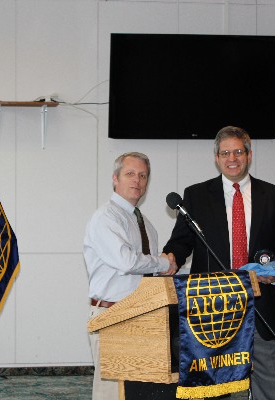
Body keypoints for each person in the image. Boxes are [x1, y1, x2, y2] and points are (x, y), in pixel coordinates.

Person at [163, 126, 275, 400]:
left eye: (238, 151)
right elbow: (181, 242)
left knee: (271, 386)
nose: (232, 158)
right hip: (214, 309)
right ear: (216, 158)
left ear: (249, 155)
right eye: (225, 153)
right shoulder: (196, 196)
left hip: (260, 306)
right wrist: (171, 259)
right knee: (217, 389)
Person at [84, 152, 178, 400]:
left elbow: (149, 273)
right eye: (130, 174)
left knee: (141, 392)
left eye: (143, 175)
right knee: (112, 395)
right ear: (115, 179)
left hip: (145, 318)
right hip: (112, 317)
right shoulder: (105, 218)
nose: (137, 180)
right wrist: (162, 262)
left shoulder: (147, 225)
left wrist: (165, 268)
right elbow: (125, 261)